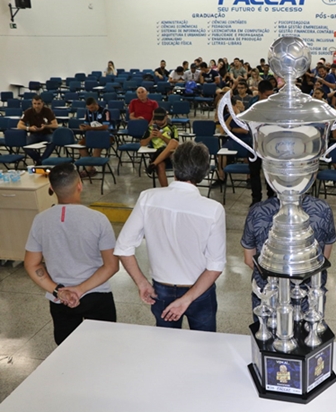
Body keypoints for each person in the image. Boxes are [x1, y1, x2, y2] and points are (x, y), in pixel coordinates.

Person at [115, 141, 226, 331]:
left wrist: (142, 283)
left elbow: (123, 247)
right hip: (199, 290)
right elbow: (215, 265)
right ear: (205, 171)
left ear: (174, 165)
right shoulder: (212, 209)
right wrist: (187, 299)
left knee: (165, 346)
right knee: (205, 348)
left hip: (161, 290)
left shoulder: (148, 198)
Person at [24, 163, 119, 345]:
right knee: (104, 347)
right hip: (96, 294)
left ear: (51, 188)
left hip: (60, 298)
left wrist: (58, 290)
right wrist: (80, 289)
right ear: (79, 185)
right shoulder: (98, 220)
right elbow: (112, 265)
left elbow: (32, 264)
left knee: (67, 351)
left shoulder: (40, 220)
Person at [242, 194, 336, 311]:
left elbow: (249, 259)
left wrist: (276, 273)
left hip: (268, 295)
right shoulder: (322, 209)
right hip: (309, 296)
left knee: (266, 327)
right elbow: (324, 256)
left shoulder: (257, 211)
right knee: (311, 327)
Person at [247, 80, 275, 205]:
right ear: (259, 93)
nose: (269, 98)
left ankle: (271, 197)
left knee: (270, 171)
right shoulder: (252, 104)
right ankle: (256, 199)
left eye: (271, 95)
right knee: (254, 172)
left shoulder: (274, 105)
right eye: (266, 95)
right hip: (254, 142)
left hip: (269, 142)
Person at [142, 107, 179, 187]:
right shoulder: (150, 129)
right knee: (160, 165)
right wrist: (150, 137)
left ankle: (153, 164)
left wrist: (162, 137)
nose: (158, 122)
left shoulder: (172, 128)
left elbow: (176, 144)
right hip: (157, 153)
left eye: (160, 119)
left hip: (171, 154)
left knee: (173, 143)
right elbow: (142, 144)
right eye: (157, 119)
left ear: (166, 117)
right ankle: (165, 189)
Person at [17, 95, 59, 165]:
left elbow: (55, 125)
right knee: (24, 144)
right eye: (35, 104)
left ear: (42, 103)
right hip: (34, 134)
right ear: (32, 104)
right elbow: (19, 125)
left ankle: (43, 160)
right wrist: (29, 128)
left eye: (39, 104)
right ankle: (39, 159)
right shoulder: (28, 112)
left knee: (53, 142)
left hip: (46, 133)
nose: (36, 106)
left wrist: (46, 126)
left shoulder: (48, 111)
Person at [78, 97, 113, 177]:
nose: (90, 109)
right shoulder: (87, 112)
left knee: (97, 148)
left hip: (105, 135)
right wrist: (83, 127)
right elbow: (86, 123)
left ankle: (87, 170)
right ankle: (91, 168)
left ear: (96, 104)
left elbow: (105, 127)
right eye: (88, 108)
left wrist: (90, 128)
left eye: (92, 107)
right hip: (92, 135)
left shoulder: (105, 112)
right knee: (80, 146)